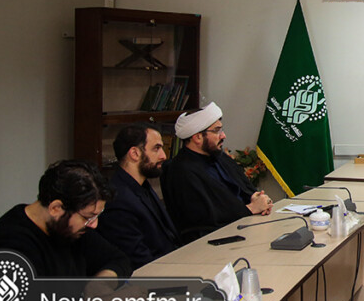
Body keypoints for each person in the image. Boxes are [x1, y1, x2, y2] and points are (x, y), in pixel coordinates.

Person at [0, 159, 131, 278]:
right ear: (56, 208)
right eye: (88, 217)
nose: (94, 225)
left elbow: (119, 259)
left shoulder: (69, 228)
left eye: (97, 216)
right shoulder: (9, 248)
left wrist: (101, 284)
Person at [161, 103, 273, 242]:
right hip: (212, 242)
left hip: (247, 227)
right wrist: (250, 209)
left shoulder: (219, 157)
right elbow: (204, 219)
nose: (223, 135)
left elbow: (246, 190)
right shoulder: (181, 171)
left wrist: (260, 201)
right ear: (197, 137)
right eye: (217, 131)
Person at [98, 123, 181, 270]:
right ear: (135, 153)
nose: (163, 156)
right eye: (156, 148)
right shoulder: (118, 200)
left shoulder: (143, 187)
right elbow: (138, 261)